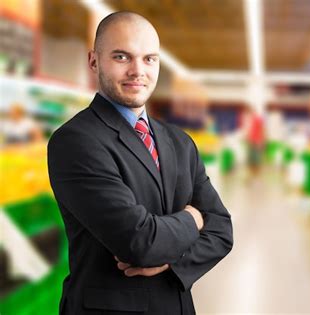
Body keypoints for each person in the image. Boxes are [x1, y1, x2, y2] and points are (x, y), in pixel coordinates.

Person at [47, 11, 233, 315]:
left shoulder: (180, 142)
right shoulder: (76, 141)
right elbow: (139, 241)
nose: (138, 71)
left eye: (149, 59)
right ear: (94, 61)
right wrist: (194, 220)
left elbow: (222, 229)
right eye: (122, 57)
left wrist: (171, 264)